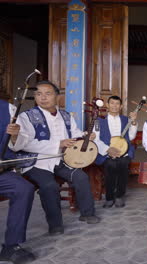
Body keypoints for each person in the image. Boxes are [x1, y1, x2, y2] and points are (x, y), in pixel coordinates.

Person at [11, 80, 100, 236]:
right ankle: (55, 224)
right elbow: (24, 144)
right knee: (49, 186)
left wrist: (85, 136)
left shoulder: (65, 115)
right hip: (37, 161)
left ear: (57, 97)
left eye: (48, 93)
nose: (43, 97)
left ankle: (87, 213)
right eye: (38, 94)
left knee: (80, 177)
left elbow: (75, 133)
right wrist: (58, 143)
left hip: (62, 158)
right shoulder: (27, 117)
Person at [0, 99, 35, 263]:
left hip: (1, 172)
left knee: (24, 188)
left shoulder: (8, 109)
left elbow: (19, 143)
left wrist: (15, 136)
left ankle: (11, 245)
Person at [94, 96, 138, 208]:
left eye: (117, 103)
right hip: (106, 151)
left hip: (124, 150)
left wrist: (133, 123)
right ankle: (109, 197)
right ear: (107, 105)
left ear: (121, 106)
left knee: (123, 164)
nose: (114, 106)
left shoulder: (125, 119)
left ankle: (119, 196)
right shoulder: (99, 120)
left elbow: (131, 137)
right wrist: (108, 150)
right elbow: (96, 139)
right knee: (110, 165)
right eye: (112, 103)